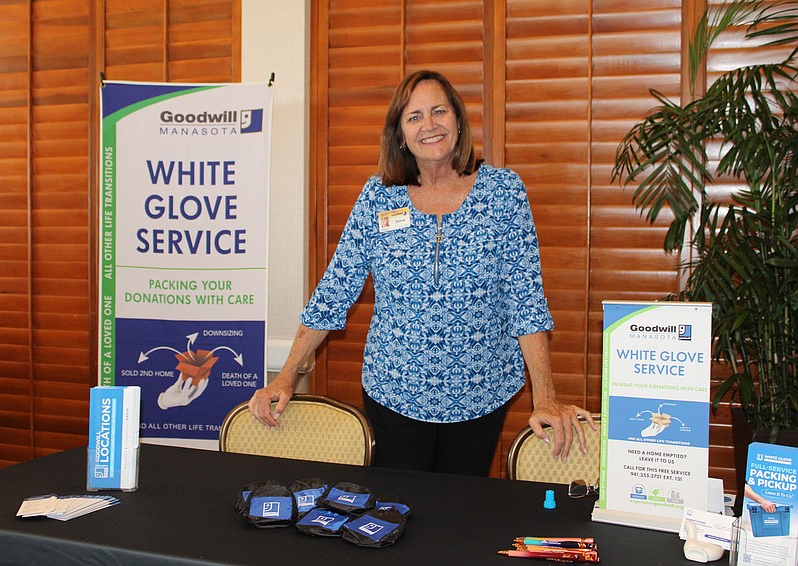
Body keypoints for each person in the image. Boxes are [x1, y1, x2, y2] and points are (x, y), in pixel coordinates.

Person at [249, 69, 597, 475]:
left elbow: (526, 299)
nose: (429, 125)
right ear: (399, 133)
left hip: (480, 392)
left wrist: (546, 397)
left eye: (438, 111)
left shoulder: (503, 191)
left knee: (460, 514)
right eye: (414, 117)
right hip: (393, 392)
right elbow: (335, 290)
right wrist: (286, 376)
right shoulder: (377, 196)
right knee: (395, 512)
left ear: (458, 121)